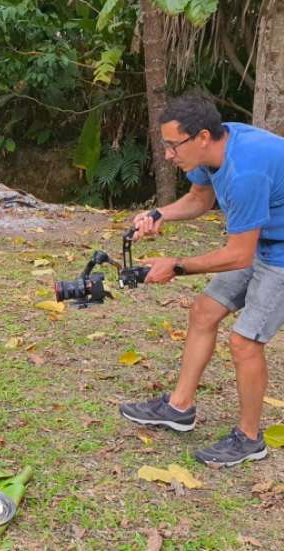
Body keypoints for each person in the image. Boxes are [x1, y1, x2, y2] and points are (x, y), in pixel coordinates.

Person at [119, 93, 284, 467]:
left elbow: (239, 254)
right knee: (204, 311)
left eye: (173, 145)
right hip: (263, 240)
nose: (167, 154)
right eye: (165, 144)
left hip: (279, 253)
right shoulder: (215, 151)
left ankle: (249, 438)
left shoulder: (246, 171)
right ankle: (179, 407)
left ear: (203, 136)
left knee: (244, 341)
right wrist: (160, 213)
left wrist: (176, 265)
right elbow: (199, 200)